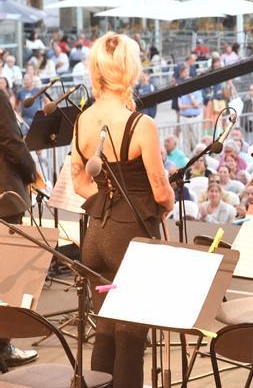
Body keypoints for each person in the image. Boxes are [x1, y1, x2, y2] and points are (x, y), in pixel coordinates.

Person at [69, 32, 175, 387]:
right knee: (131, 338)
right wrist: (167, 203)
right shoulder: (140, 125)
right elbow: (160, 189)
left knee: (107, 329)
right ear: (129, 69)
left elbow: (80, 182)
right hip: (130, 241)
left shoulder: (83, 120)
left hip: (96, 239)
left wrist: (105, 199)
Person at [0, 87, 39, 367]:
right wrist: (33, 173)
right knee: (7, 279)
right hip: (4, 199)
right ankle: (3, 348)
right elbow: (12, 143)